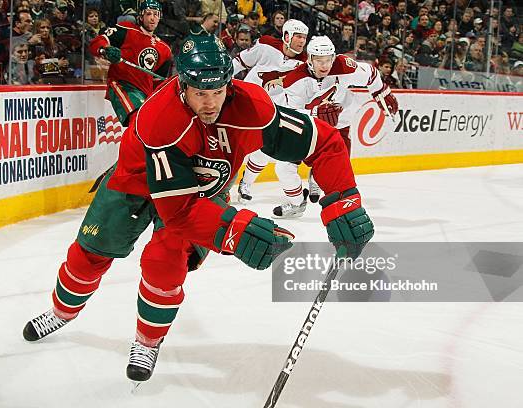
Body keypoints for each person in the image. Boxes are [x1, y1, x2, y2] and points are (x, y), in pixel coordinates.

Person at [22, 35, 374, 384]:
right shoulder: (160, 119)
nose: (210, 103)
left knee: (165, 262)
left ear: (229, 83)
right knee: (88, 256)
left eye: (218, 91)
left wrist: (343, 199)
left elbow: (325, 143)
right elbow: (177, 210)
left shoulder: (253, 108)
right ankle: (61, 311)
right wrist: (234, 230)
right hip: (136, 184)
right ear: (182, 86)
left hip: (202, 192)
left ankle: (147, 341)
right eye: (200, 93)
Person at [278, 36, 398, 201]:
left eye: (328, 60)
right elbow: (292, 113)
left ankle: (318, 175)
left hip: (340, 124)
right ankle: (296, 202)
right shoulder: (294, 80)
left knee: (339, 169)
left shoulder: (344, 67)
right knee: (284, 166)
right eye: (319, 60)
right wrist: (314, 114)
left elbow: (370, 73)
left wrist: (380, 90)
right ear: (309, 59)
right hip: (309, 127)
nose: (325, 65)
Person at [234, 19, 308, 211]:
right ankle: (225, 187)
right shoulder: (266, 46)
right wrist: (223, 79)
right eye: (298, 36)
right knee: (233, 146)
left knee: (262, 151)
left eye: (304, 37)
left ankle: (245, 184)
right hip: (246, 101)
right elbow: (240, 62)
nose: (302, 41)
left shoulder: (304, 63)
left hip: (272, 109)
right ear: (286, 36)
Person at [88, 0, 172, 126]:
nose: (152, 18)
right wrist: (105, 50)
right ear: (141, 16)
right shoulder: (126, 29)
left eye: (156, 14)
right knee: (138, 120)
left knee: (151, 126)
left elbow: (158, 82)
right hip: (122, 85)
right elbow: (97, 42)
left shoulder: (164, 49)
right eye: (149, 14)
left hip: (145, 93)